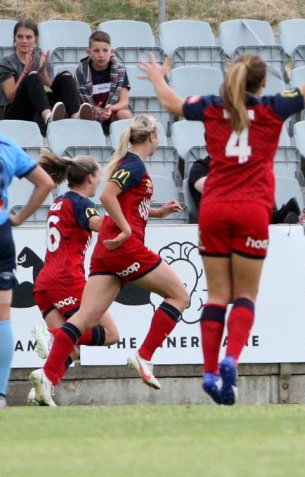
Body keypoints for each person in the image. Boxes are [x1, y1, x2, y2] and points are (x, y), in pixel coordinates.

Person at [137, 17, 305, 405]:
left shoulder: (212, 107)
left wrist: (158, 77)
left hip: (213, 208)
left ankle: (211, 370)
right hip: (252, 210)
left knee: (216, 295)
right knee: (246, 294)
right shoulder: (272, 108)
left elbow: (170, 102)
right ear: (263, 83)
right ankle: (233, 358)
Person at [29, 114, 189, 406]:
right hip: (124, 249)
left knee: (85, 320)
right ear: (152, 136)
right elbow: (108, 196)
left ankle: (47, 376)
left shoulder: (127, 166)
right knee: (180, 296)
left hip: (103, 254)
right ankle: (144, 356)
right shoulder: (134, 164)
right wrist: (127, 230)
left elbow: (123, 203)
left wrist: (156, 212)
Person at [26, 150, 120, 405]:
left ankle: (42, 390)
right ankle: (53, 336)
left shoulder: (58, 203)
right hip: (67, 279)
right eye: (99, 175)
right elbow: (104, 227)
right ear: (90, 178)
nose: (100, 179)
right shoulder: (81, 204)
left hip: (44, 283)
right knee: (111, 334)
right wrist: (138, 215)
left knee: (72, 347)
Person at [0, 134, 54, 409]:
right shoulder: (6, 145)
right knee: (2, 317)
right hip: (2, 236)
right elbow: (45, 182)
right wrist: (19, 218)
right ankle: (0, 395)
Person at [0, 19, 90, 134]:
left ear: (36, 39)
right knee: (33, 76)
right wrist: (25, 72)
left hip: (39, 106)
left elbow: (51, 90)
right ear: (14, 38)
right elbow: (11, 97)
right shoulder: (5, 63)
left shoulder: (42, 59)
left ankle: (76, 115)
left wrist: (43, 71)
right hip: (15, 111)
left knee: (65, 76)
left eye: (28, 37)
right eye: (20, 37)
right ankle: (48, 116)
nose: (24, 41)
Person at [75, 30, 133, 133]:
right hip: (91, 113)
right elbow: (79, 101)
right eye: (96, 51)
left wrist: (108, 109)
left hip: (112, 111)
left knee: (125, 114)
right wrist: (93, 111)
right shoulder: (81, 72)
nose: (101, 55)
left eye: (105, 50)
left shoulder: (120, 70)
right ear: (89, 52)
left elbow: (124, 102)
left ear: (111, 52)